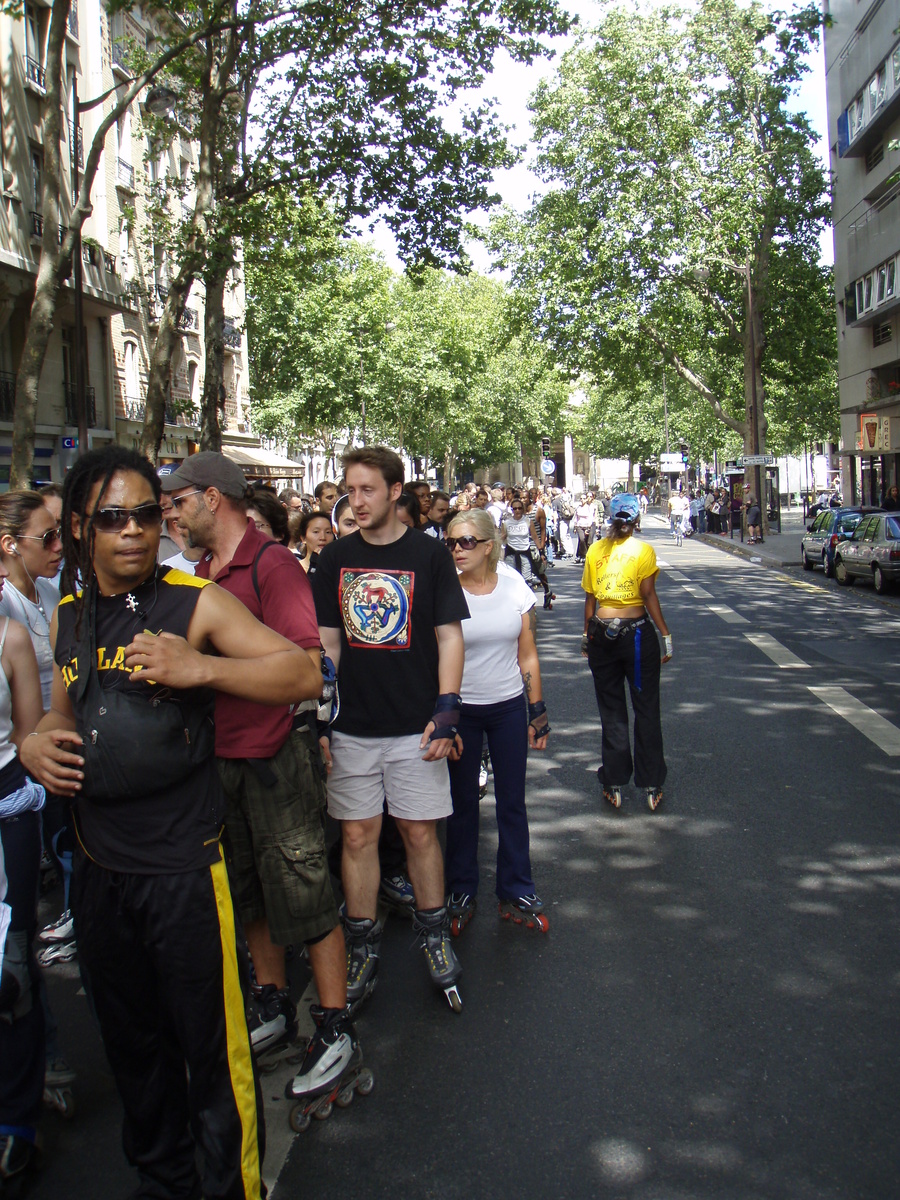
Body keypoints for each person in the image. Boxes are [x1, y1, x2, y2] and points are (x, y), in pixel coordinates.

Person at [22, 445, 321, 1200]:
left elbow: (302, 672)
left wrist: (203, 669)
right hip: (96, 869)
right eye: (113, 518)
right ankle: (163, 1181)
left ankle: (232, 1190)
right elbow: (66, 712)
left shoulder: (194, 602)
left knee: (212, 1054)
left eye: (147, 514)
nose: (134, 531)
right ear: (84, 528)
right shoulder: (68, 612)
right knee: (133, 1050)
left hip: (183, 871)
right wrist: (35, 743)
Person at [162, 451, 357, 1112]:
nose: (169, 514)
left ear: (213, 498)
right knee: (246, 893)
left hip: (276, 756)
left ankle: (335, 1027)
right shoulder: (198, 573)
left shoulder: (272, 565)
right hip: (222, 761)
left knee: (305, 892)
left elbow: (309, 667)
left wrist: (203, 670)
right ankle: (273, 1003)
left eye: (177, 501)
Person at [312, 446, 469, 1012]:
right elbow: (328, 644)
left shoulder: (428, 556)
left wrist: (448, 707)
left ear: (395, 491)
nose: (355, 502)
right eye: (349, 491)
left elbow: (450, 636)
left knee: (419, 834)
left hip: (415, 725)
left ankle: (434, 936)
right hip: (353, 726)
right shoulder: (333, 560)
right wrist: (321, 718)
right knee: (356, 838)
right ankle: (363, 945)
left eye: (366, 490)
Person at [443, 509, 550, 938]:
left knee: (512, 802)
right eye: (451, 542)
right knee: (461, 804)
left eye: (466, 542)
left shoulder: (514, 587)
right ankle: (461, 890)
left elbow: (528, 655)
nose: (457, 550)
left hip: (507, 706)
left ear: (488, 545)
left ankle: (516, 887)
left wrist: (537, 711)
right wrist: (443, 717)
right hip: (461, 710)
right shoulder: (443, 589)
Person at [0, 564, 48, 1193]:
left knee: (12, 971)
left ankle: (17, 1120)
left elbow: (33, 735)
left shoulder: (10, 635)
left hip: (6, 803)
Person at [581, 492, 672, 812]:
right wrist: (665, 634)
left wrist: (585, 637)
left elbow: (590, 601)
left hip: (601, 637)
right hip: (636, 637)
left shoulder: (595, 549)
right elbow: (648, 596)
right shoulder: (643, 550)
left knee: (612, 710)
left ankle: (614, 779)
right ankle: (652, 782)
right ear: (636, 520)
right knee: (646, 707)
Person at [297, 510, 335, 574]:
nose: (323, 537)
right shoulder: (296, 569)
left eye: (328, 532)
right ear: (303, 538)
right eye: (316, 532)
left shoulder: (337, 569)